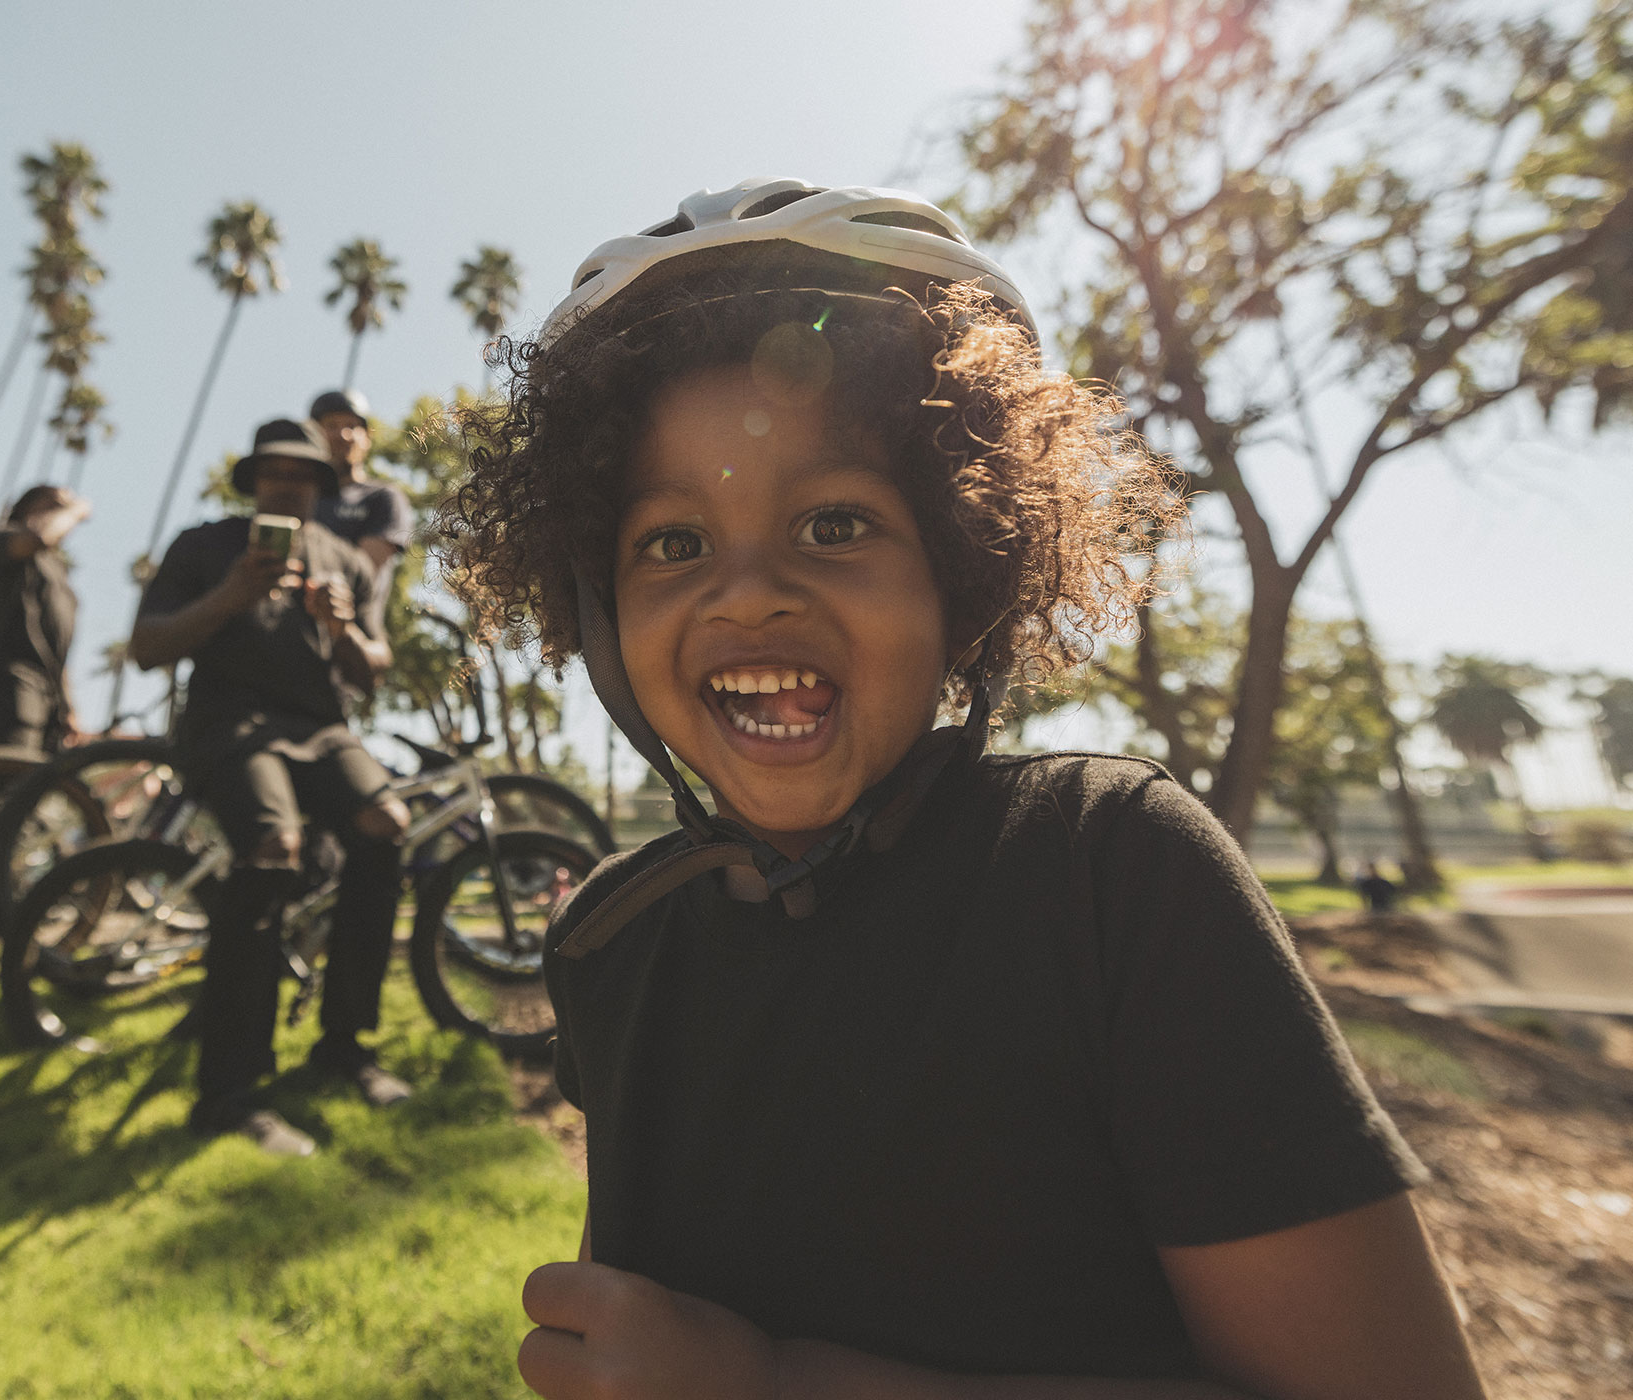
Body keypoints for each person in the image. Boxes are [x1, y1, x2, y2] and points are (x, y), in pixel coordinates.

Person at [437, 180, 1487, 1398]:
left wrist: (777, 1384)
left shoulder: (1109, 867)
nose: (745, 594)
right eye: (671, 543)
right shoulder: (612, 940)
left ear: (966, 576)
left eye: (834, 523)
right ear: (601, 616)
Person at [130, 418, 410, 1156]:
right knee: (272, 847)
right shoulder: (204, 545)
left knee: (387, 822)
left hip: (321, 728)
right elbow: (147, 646)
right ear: (253, 481)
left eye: (305, 474)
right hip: (230, 725)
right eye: (275, 472)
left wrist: (344, 628)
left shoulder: (346, 559)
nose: (290, 484)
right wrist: (229, 596)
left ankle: (345, 1045)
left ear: (321, 487)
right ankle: (229, 1090)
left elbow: (373, 669)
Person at [0, 484, 90, 753]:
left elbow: (56, 646)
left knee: (42, 780)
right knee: (12, 774)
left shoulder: (55, 568)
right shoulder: (4, 542)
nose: (62, 512)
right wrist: (75, 510)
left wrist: (68, 706)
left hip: (49, 689)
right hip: (12, 682)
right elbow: (42, 536)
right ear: (28, 507)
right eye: (55, 505)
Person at [309, 389, 414, 601]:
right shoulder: (301, 499)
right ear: (313, 435)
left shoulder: (383, 497)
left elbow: (361, 577)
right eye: (331, 426)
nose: (343, 435)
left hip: (354, 628)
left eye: (351, 426)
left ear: (367, 438)